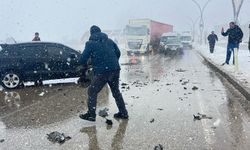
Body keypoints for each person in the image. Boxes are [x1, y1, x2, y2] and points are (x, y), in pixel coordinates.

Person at [79, 25, 128, 122]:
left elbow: (83, 59)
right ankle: (123, 113)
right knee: (116, 92)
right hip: (115, 70)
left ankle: (91, 115)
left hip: (102, 72)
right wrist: (112, 62)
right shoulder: (110, 41)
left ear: (91, 33)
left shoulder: (90, 44)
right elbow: (118, 53)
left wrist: (87, 64)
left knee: (92, 91)